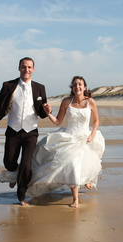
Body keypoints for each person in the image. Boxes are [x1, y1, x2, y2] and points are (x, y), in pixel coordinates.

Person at [26, 76, 105, 208]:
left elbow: (96, 120)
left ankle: (87, 180)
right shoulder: (66, 102)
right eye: (74, 85)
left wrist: (92, 134)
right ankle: (75, 199)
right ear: (72, 88)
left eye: (80, 84)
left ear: (84, 87)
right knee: (72, 165)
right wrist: (48, 113)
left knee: (85, 162)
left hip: (85, 137)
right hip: (70, 138)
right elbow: (58, 121)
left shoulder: (90, 102)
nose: (77, 87)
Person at [0, 57, 51, 206]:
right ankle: (14, 175)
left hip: (31, 132)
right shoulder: (8, 86)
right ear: (19, 68)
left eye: (29, 67)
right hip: (13, 130)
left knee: (26, 165)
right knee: (9, 162)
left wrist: (47, 111)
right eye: (23, 67)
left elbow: (41, 113)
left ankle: (21, 195)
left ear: (33, 69)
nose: (26, 70)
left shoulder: (40, 88)